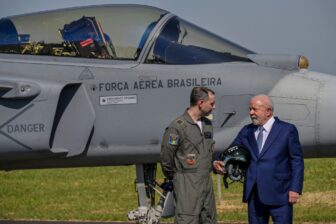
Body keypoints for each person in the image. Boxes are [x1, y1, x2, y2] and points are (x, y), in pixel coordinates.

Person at [227, 94, 304, 224]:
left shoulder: (287, 130)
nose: (251, 112)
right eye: (250, 109)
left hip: (281, 195)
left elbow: (296, 161)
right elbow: (232, 150)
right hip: (255, 196)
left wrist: (295, 189)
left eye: (255, 109)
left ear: (268, 111)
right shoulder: (247, 131)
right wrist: (219, 162)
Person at [160, 87, 218, 224]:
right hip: (187, 185)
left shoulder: (208, 125)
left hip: (206, 184)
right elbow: (166, 158)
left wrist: (213, 164)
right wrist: (179, 178)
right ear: (200, 103)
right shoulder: (177, 127)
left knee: (209, 219)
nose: (214, 107)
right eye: (212, 103)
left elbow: (206, 152)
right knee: (187, 220)